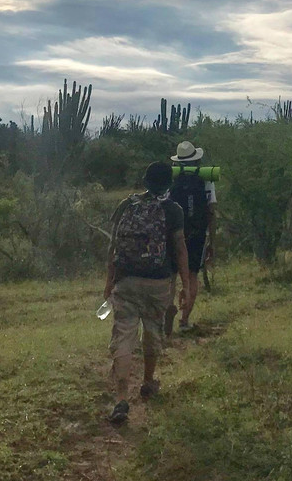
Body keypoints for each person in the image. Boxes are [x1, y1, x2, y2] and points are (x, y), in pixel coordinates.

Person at [103, 161, 190, 425]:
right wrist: (186, 284)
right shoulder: (172, 210)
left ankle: (120, 398)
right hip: (158, 283)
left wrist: (109, 283)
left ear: (144, 181)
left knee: (124, 335)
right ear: (169, 184)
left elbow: (113, 248)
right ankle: (149, 381)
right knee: (153, 331)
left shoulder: (126, 205)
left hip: (126, 280)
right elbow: (180, 249)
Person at [168, 140, 217, 332]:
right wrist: (212, 240)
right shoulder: (206, 179)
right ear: (196, 160)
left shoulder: (172, 179)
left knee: (171, 277)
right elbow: (212, 210)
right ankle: (184, 321)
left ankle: (167, 319)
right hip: (197, 235)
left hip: (173, 235)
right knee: (192, 276)